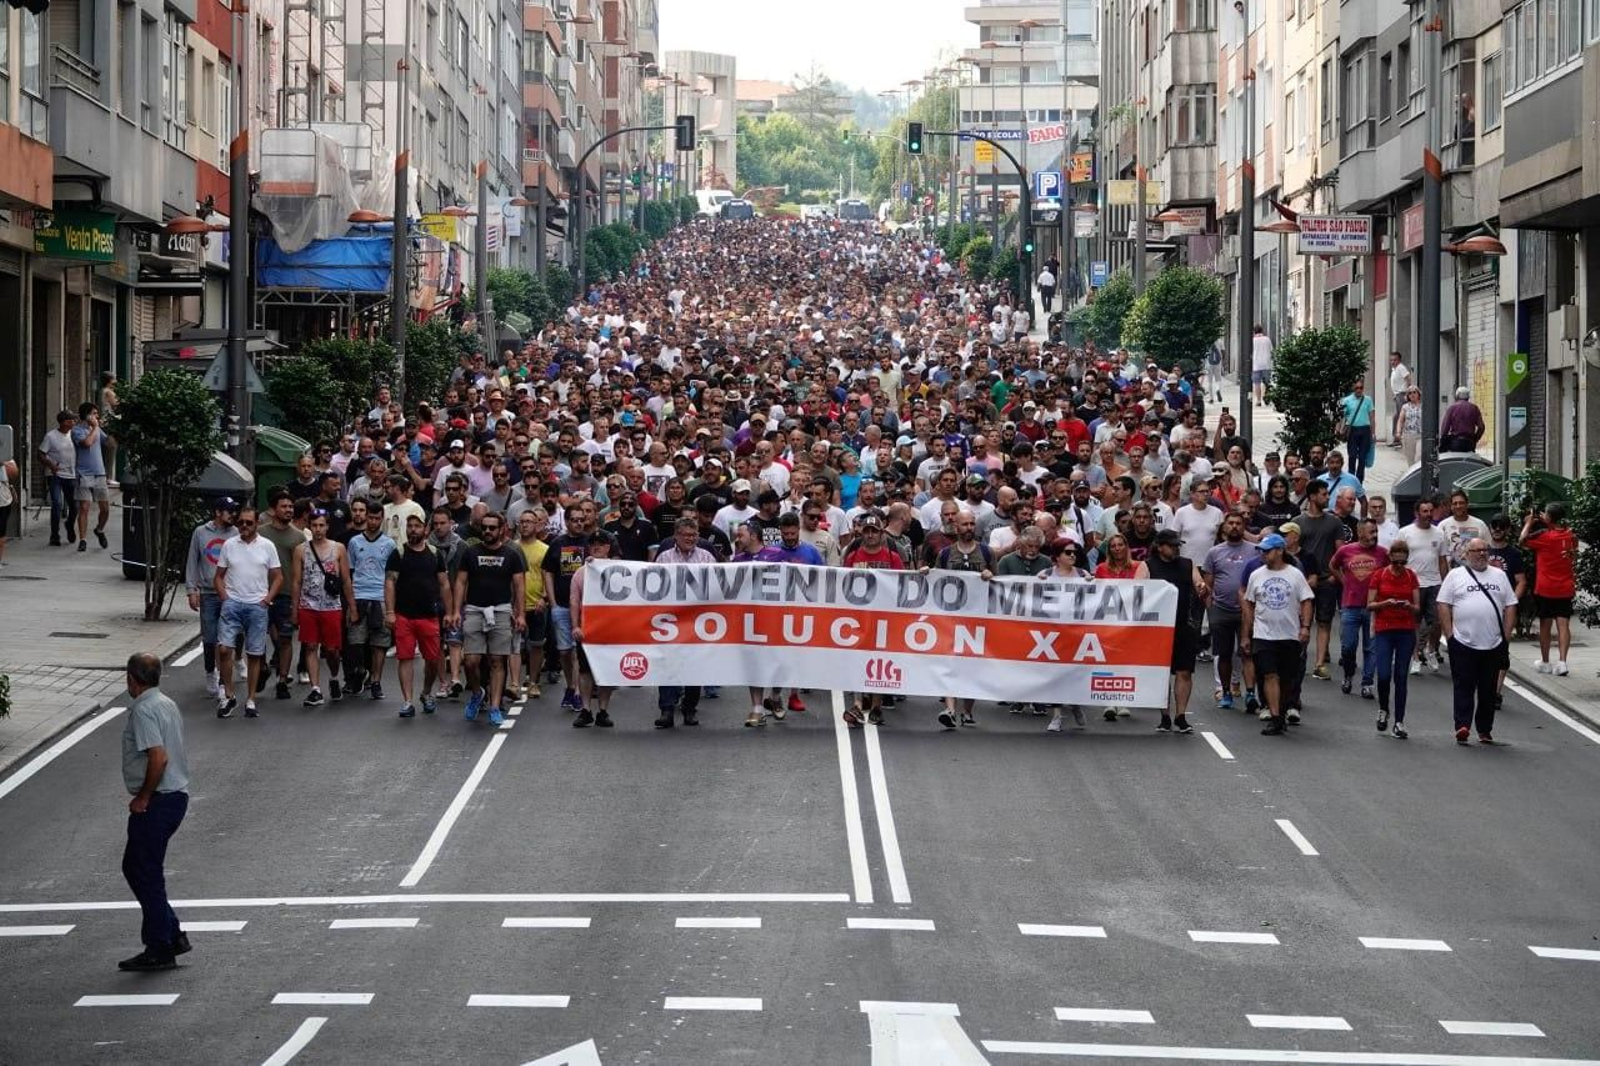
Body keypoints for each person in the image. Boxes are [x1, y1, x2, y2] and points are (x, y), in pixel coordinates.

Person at [116, 653, 192, 972]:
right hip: (176, 796)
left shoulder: (144, 710)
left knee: (142, 870)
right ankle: (171, 934)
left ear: (133, 679)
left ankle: (161, 944)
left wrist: (143, 797)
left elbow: (158, 758)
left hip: (159, 799)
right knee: (143, 869)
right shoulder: (166, 703)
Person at [1437, 538, 1518, 745]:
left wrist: (1506, 637)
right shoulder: (1456, 576)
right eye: (1476, 550)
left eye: (1484, 550)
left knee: (1488, 689)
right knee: (1463, 685)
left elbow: (1510, 606)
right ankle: (1462, 725)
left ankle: (1484, 729)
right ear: (1466, 554)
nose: (1482, 554)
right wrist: (1449, 635)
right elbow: (1443, 604)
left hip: (1493, 643)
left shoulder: (1499, 576)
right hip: (1463, 641)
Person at [456, 512, 527, 727]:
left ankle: (495, 706)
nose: (487, 531)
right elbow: (460, 582)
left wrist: (521, 614)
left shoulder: (512, 554)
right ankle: (478, 692)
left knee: (498, 660)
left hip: (501, 610)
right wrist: (456, 611)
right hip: (475, 609)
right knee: (470, 661)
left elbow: (519, 586)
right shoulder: (470, 552)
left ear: (502, 529)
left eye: (492, 528)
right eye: (484, 528)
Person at [1241, 533, 1314, 736]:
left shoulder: (1295, 574)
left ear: (1280, 550)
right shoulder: (1256, 575)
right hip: (1264, 634)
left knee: (1286, 678)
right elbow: (1249, 605)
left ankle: (1281, 712)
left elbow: (1306, 600)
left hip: (1289, 635)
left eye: (1267, 551)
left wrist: (1305, 627)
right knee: (1269, 674)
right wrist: (1246, 635)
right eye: (1261, 551)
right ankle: (1274, 716)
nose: (1263, 555)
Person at [213, 504, 282, 719]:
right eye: (240, 522)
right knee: (224, 649)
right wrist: (225, 598)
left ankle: (251, 699)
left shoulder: (268, 546)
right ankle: (229, 695)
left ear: (256, 524)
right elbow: (218, 576)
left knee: (255, 654)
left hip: (257, 606)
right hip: (233, 603)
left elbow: (278, 576)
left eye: (248, 522)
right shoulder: (229, 545)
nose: (243, 525)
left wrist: (267, 600)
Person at [1138, 528, 1204, 734]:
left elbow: (1199, 582)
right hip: (1157, 629)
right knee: (1161, 673)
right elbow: (1136, 592)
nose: (1176, 549)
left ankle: (1181, 715)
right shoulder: (1147, 566)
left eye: (1177, 546)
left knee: (1184, 671)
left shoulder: (1187, 564)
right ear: (1159, 546)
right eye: (1172, 545)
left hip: (1183, 625)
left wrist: (1202, 586)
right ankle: (1165, 716)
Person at [653, 517, 717, 728]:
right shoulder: (664, 558)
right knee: (668, 665)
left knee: (694, 665)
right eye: (686, 535)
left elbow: (718, 585)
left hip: (698, 620)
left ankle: (690, 709)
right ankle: (667, 710)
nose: (690, 539)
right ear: (676, 536)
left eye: (694, 535)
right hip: (670, 620)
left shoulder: (707, 557)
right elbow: (654, 585)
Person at [386, 513, 452, 718]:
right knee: (405, 657)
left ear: (426, 529)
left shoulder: (434, 554)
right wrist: (390, 612)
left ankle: (426, 692)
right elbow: (390, 582)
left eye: (417, 526)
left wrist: (449, 612)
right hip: (404, 615)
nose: (413, 529)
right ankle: (407, 701)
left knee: (432, 659)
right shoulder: (398, 553)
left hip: (429, 615)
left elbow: (444, 584)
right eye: (410, 526)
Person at [288, 509, 354, 708]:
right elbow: (297, 581)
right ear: (310, 526)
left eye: (321, 525)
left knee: (332, 650)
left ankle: (334, 676)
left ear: (327, 527)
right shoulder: (301, 550)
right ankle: (315, 689)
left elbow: (345, 580)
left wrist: (352, 606)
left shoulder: (339, 549)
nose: (318, 529)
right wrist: (295, 608)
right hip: (309, 605)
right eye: (314, 525)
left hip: (331, 606)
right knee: (310, 645)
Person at [1202, 512, 1258, 713]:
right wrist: (1210, 607)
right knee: (1223, 654)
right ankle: (1225, 692)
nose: (1234, 526)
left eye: (1238, 523)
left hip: (1247, 611)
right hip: (1221, 609)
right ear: (1224, 527)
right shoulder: (1214, 552)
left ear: (1244, 526)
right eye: (1230, 523)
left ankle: (1250, 693)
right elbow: (1208, 584)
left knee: (1247, 652)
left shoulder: (1255, 551)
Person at [185, 499, 240, 697]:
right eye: (229, 511)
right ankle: (210, 672)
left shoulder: (236, 533)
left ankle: (227, 677)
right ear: (218, 512)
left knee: (230, 637)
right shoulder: (201, 533)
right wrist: (192, 589)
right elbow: (193, 560)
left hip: (231, 593)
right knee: (209, 638)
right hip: (208, 593)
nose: (233, 515)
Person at [1368, 539, 1420, 738]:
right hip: (1385, 629)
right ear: (1390, 558)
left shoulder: (1410, 576)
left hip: (1405, 630)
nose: (1399, 566)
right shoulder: (1379, 575)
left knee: (1401, 676)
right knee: (1383, 674)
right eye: (1396, 562)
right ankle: (1383, 709)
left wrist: (1408, 606)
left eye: (1403, 562)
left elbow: (1417, 607)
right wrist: (1385, 603)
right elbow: (1369, 604)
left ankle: (1399, 721)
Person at [259, 489, 308, 702]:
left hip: (287, 594)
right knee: (259, 637)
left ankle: (282, 679)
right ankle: (260, 668)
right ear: (274, 510)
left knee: (286, 639)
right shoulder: (260, 533)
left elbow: (301, 570)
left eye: (291, 507)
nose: (288, 510)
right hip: (260, 593)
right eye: (284, 506)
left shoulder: (298, 537)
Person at [346, 505, 398, 699]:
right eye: (371, 518)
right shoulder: (354, 542)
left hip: (380, 597)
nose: (373, 522)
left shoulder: (389, 544)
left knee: (380, 642)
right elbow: (349, 573)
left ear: (382, 519)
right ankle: (360, 671)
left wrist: (392, 607)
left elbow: (392, 577)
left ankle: (376, 681)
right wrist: (351, 601)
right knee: (356, 640)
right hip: (359, 595)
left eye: (377, 518)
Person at [1329, 519, 1386, 698]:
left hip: (1373, 607)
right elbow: (1332, 565)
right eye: (1371, 532)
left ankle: (1367, 683)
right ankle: (1348, 675)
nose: (1374, 535)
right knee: (1348, 646)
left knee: (1371, 648)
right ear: (1360, 533)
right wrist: (1344, 581)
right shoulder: (1346, 550)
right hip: (1350, 605)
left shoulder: (1383, 553)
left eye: (1376, 531)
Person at [1521, 501, 1578, 676]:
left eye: (1545, 514)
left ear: (1551, 517)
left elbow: (1522, 540)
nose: (1543, 516)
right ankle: (1562, 662)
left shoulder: (1545, 538)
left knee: (1545, 624)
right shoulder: (1571, 536)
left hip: (1546, 587)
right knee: (1564, 624)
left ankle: (1545, 662)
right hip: (1565, 586)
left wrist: (1529, 523)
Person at [567, 533, 615, 728]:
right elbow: (574, 601)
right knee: (585, 670)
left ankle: (603, 710)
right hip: (588, 630)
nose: (597, 548)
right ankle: (586, 709)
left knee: (608, 670)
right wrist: (575, 626)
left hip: (612, 629)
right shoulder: (580, 573)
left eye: (601, 544)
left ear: (608, 548)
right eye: (593, 544)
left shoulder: (618, 569)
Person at [1397, 498, 1450, 674]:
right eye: (1424, 511)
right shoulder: (1405, 533)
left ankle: (1432, 650)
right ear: (1417, 513)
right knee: (1414, 623)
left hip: (1434, 583)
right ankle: (1415, 657)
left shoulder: (1439, 534)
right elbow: (1398, 560)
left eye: (1430, 511)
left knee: (1436, 622)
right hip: (1413, 584)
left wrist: (1446, 584)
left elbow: (1442, 561)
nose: (1428, 514)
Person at [512, 508, 551, 699]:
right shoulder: (511, 547)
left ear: (537, 525)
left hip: (536, 604)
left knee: (536, 644)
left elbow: (548, 577)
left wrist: (544, 598)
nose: (525, 524)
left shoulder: (544, 549)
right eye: (522, 521)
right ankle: (514, 683)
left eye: (529, 521)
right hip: (515, 606)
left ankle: (534, 681)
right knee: (514, 646)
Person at [72, 401, 111, 552]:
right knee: (84, 507)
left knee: (105, 508)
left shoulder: (97, 430)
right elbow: (87, 443)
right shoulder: (77, 430)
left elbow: (108, 443)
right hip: (84, 473)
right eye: (94, 413)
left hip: (99, 473)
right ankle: (83, 539)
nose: (97, 416)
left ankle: (99, 530)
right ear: (86, 415)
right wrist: (95, 427)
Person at [38, 410, 78, 546]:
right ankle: (54, 535)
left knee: (74, 505)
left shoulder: (74, 435)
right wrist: (51, 465)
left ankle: (69, 524)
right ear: (64, 422)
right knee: (57, 504)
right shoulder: (51, 436)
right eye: (71, 420)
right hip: (55, 475)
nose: (73, 422)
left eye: (74, 420)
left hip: (71, 475)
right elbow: (41, 454)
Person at [1438, 489, 1490, 566]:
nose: (1458, 506)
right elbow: (1438, 553)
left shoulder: (1479, 524)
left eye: (1461, 503)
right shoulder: (1443, 526)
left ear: (1467, 504)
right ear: (1451, 506)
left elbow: (1489, 548)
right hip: (1452, 573)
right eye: (1455, 503)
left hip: (1476, 572)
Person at [1338, 381, 1375, 481]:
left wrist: (1373, 433)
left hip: (1365, 430)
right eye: (1356, 388)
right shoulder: (1347, 400)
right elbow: (1342, 417)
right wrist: (1339, 429)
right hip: (1352, 430)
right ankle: (1351, 478)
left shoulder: (1368, 400)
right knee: (1352, 456)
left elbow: (1371, 417)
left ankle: (1359, 480)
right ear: (1353, 389)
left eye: (1361, 388)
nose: (1359, 390)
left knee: (1362, 457)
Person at [1440, 386, 1485, 453]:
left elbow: (1444, 428)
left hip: (1455, 442)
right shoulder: (1474, 408)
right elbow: (1481, 427)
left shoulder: (1452, 408)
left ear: (1457, 396)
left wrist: (1443, 440)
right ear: (1468, 397)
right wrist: (1475, 439)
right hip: (1470, 443)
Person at [1386, 352, 1412, 446]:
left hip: (1402, 394)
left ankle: (1399, 438)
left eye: (1395, 360)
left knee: (1400, 416)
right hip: (1398, 394)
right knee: (1397, 416)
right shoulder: (1394, 369)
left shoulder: (1401, 367)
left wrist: (1407, 393)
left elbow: (1408, 378)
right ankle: (1397, 438)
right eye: (1391, 360)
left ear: (1399, 360)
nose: (1392, 362)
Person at [1397, 386, 1423, 465]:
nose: (1412, 395)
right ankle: (1414, 476)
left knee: (1418, 457)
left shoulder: (1424, 406)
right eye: (1410, 393)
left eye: (1414, 392)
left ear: (1418, 394)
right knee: (1410, 460)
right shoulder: (1405, 407)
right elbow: (1400, 420)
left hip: (1420, 435)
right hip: (1408, 435)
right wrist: (1398, 432)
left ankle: (1419, 474)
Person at [1250, 324, 1274, 405]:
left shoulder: (1253, 340)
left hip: (1256, 365)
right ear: (1262, 331)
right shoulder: (1267, 339)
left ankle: (1258, 401)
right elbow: (1271, 350)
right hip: (1266, 364)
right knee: (1267, 382)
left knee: (1257, 383)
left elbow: (1250, 353)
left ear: (1254, 332)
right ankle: (1266, 398)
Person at [0, 454, 14, 566]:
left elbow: (14, 472)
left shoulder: (5, 452)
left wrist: (4, 464)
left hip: (2, 497)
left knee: (1, 531)